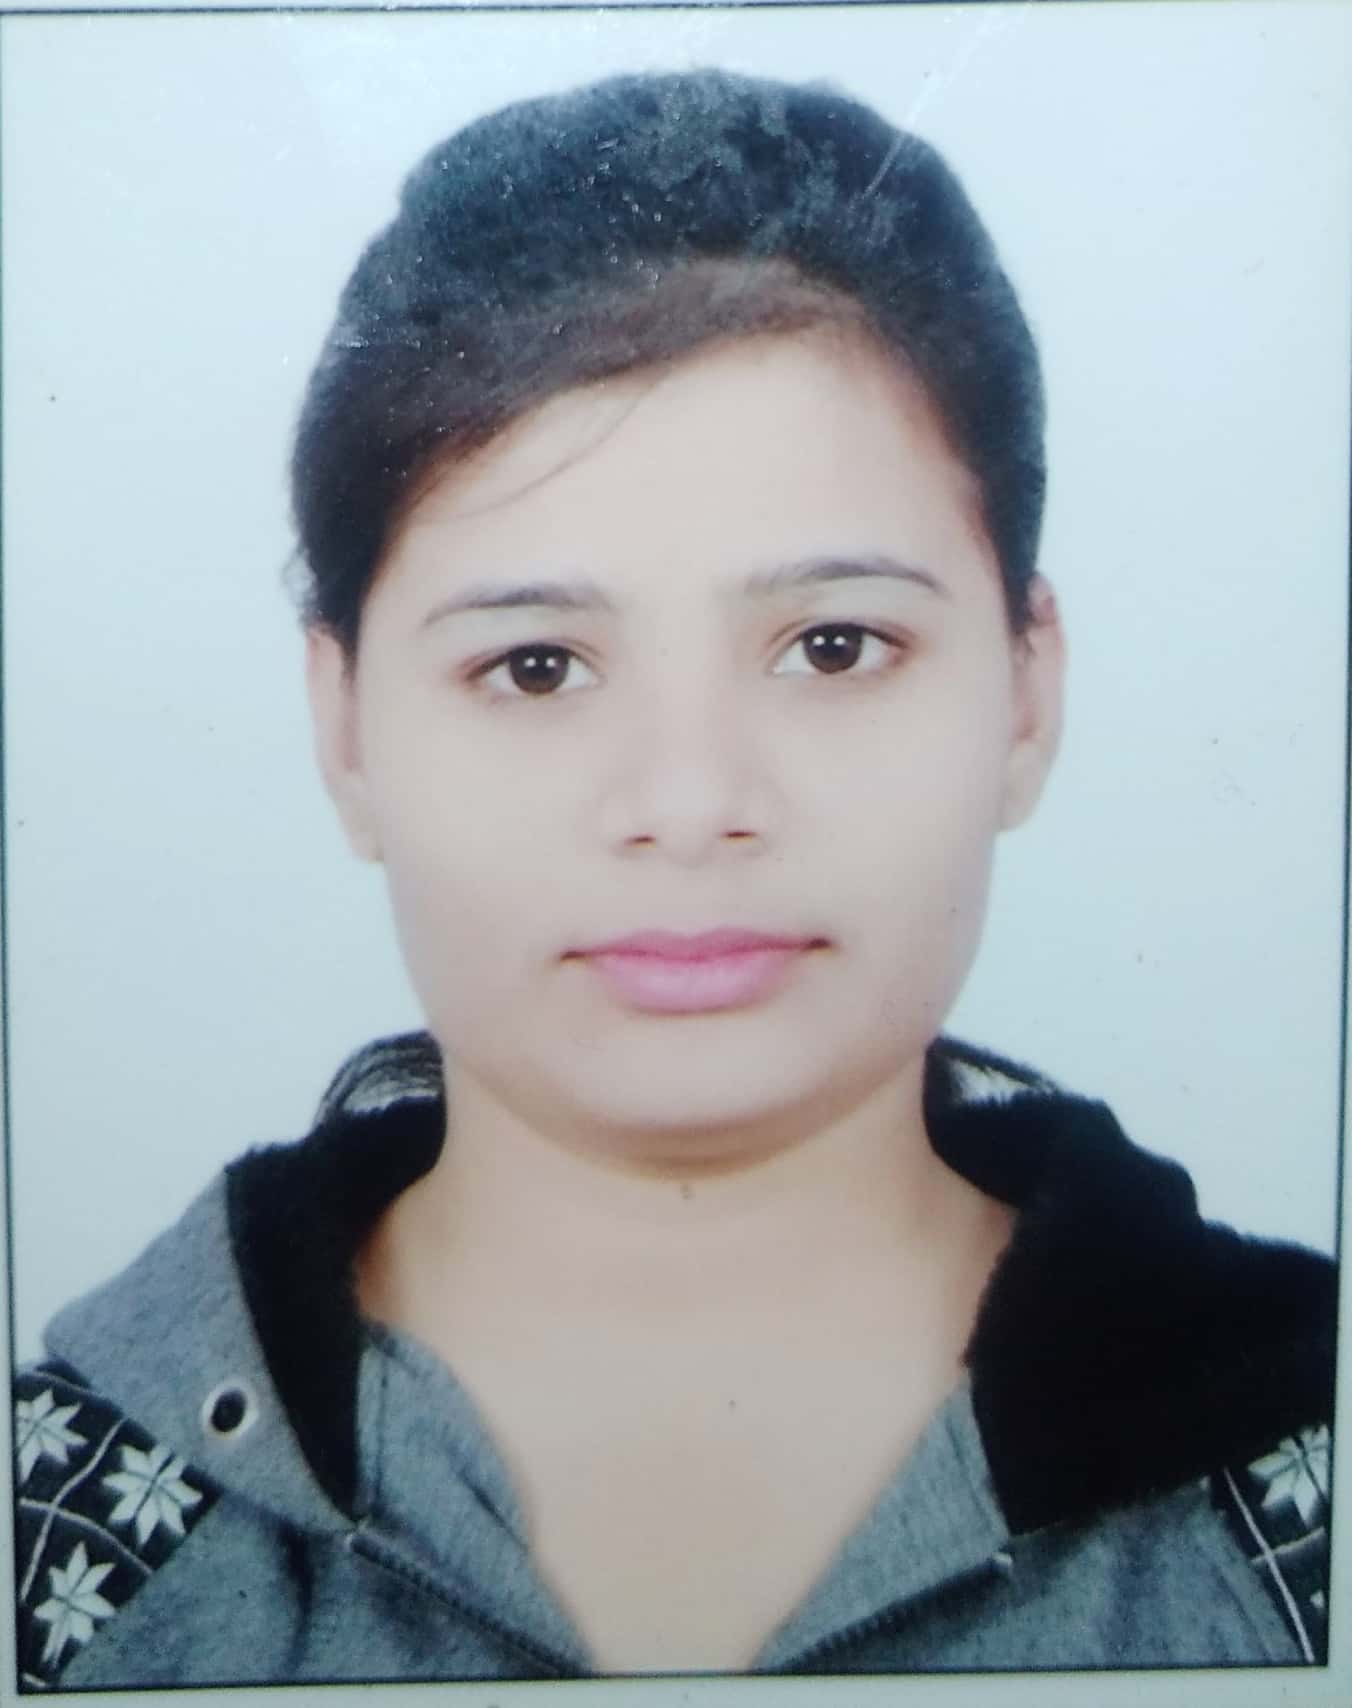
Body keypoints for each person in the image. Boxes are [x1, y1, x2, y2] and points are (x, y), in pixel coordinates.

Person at [12, 68, 1335, 1688]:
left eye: (833, 646)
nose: (691, 803)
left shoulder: (1305, 1509)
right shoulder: (53, 1541)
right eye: (538, 666)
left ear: (1027, 693)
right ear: (345, 727)